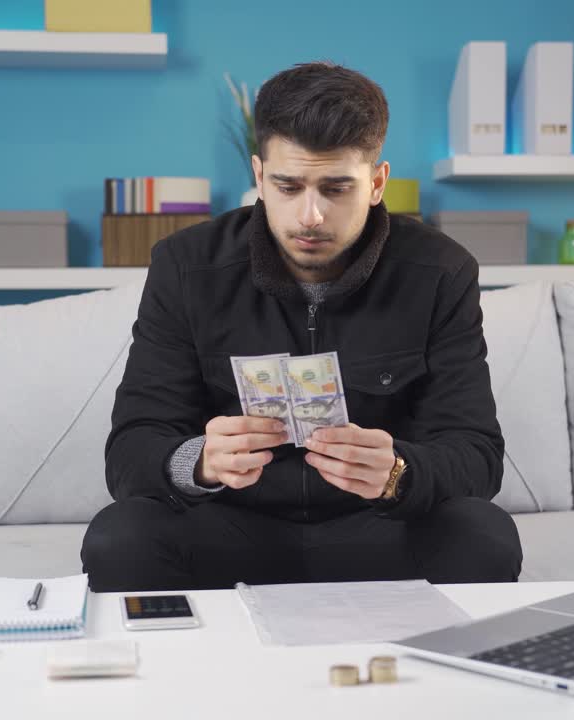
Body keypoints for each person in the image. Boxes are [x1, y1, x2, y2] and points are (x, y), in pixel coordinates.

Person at [81, 61, 522, 591]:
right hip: (231, 529)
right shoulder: (184, 265)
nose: (309, 215)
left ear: (377, 183)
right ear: (259, 177)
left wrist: (399, 472)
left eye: (336, 189)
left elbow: (476, 454)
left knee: (485, 536)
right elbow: (131, 448)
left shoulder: (442, 272)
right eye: (289, 186)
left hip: (377, 529)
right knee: (118, 538)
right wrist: (199, 461)